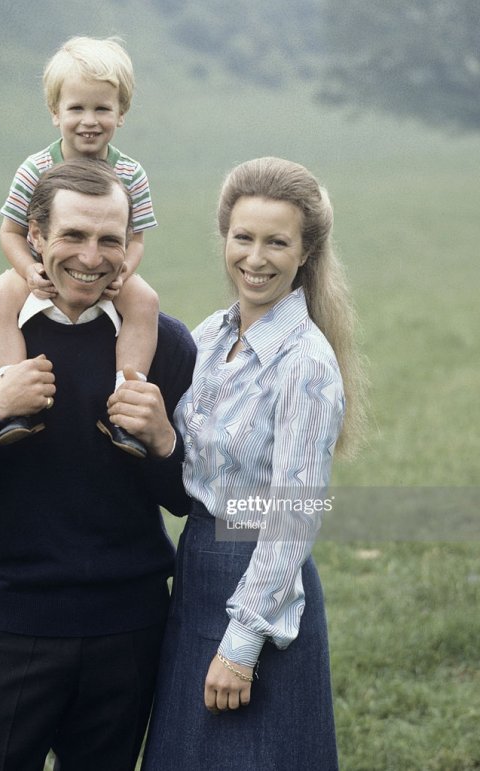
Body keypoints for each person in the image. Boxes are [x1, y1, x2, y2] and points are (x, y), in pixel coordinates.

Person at [0, 159, 196, 771]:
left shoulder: (165, 346)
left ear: (129, 245)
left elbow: (188, 501)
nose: (91, 258)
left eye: (109, 240)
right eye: (73, 235)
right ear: (34, 236)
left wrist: (164, 438)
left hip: (132, 632)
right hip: (16, 628)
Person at [135, 157, 369, 770]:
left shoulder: (306, 362)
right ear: (224, 238)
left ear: (305, 253)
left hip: (261, 596)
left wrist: (241, 646)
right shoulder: (212, 336)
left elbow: (293, 517)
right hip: (199, 571)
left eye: (277, 242)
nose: (256, 257)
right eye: (243, 237)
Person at [0, 36, 159, 455]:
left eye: (102, 108)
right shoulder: (36, 168)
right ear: (54, 112)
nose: (89, 120)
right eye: (76, 108)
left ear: (122, 112)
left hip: (106, 273)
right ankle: (14, 395)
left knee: (146, 303)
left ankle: (127, 407)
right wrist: (29, 271)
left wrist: (123, 273)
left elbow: (135, 239)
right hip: (42, 270)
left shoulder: (131, 173)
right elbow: (10, 232)